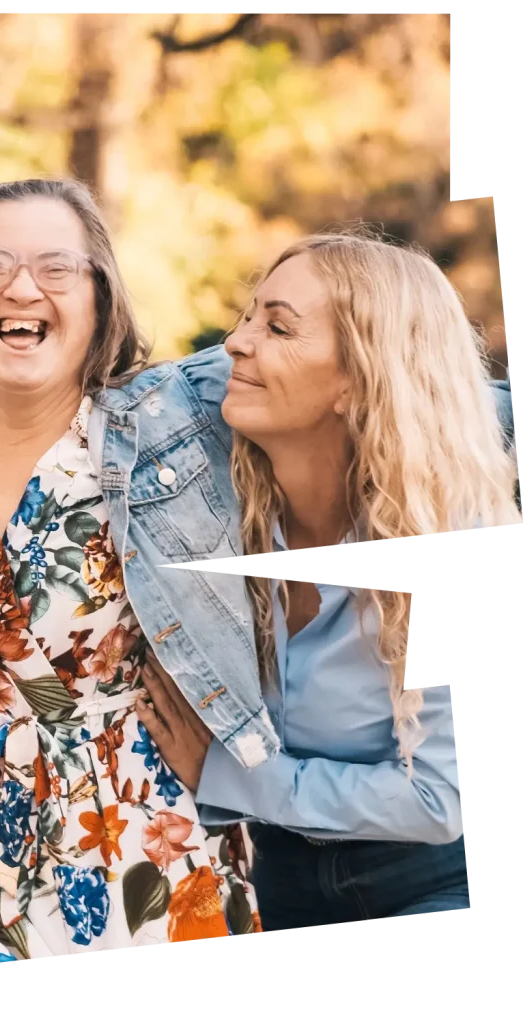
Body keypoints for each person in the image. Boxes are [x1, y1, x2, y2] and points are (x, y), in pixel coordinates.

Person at [0, 178, 283, 975]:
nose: (22, 288)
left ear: (99, 301)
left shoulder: (176, 425)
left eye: (57, 268)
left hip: (135, 829)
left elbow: (360, 376)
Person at [128, 232, 517, 930]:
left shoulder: (460, 534)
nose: (238, 343)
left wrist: (230, 774)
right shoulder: (216, 507)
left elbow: (440, 800)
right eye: (248, 317)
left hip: (436, 882)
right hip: (279, 883)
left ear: (360, 379)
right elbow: (121, 402)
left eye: (278, 327)